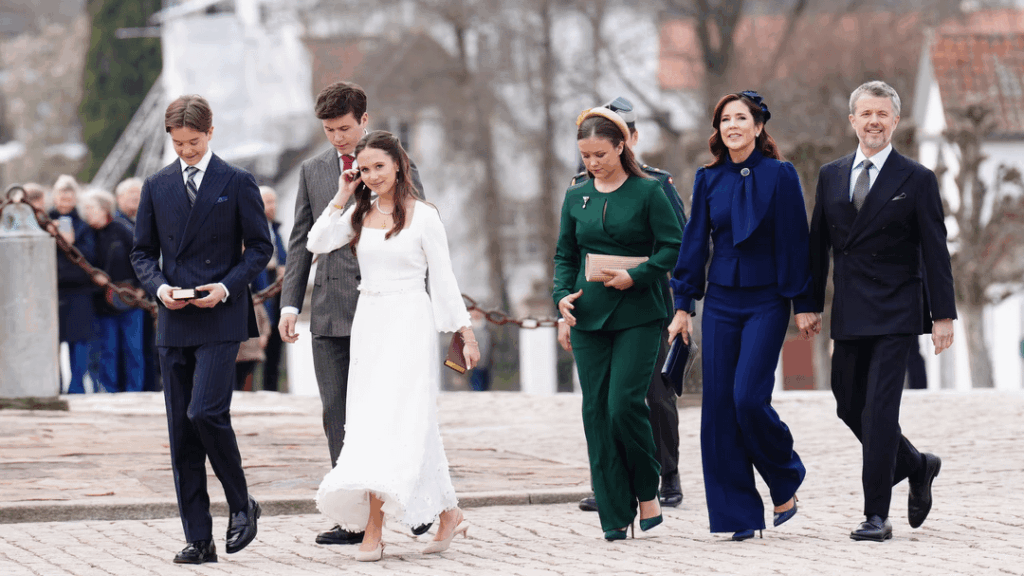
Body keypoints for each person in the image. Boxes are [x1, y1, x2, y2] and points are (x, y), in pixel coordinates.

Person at [307, 130, 478, 562]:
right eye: (363, 169)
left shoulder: (424, 217)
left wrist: (464, 331)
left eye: (378, 166)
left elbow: (443, 279)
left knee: (397, 420)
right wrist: (342, 196)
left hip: (409, 322)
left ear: (398, 165)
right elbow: (316, 241)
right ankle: (449, 513)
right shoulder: (358, 214)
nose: (371, 175)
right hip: (370, 320)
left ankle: (375, 530)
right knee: (377, 421)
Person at [278, 81, 427, 545]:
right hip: (330, 311)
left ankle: (413, 504)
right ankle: (354, 517)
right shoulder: (313, 170)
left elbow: (420, 231)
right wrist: (289, 302)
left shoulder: (393, 161)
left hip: (384, 309)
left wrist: (420, 306)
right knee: (336, 413)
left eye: (344, 128)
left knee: (392, 411)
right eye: (328, 130)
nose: (338, 139)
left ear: (364, 120)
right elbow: (303, 238)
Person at [808, 80, 955, 542]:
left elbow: (935, 251)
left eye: (883, 114)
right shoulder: (831, 175)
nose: (874, 121)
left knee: (880, 412)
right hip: (850, 311)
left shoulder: (917, 178)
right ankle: (916, 464)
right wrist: (808, 305)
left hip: (897, 311)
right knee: (848, 404)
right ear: (852, 120)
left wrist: (942, 315)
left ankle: (876, 514)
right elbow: (817, 248)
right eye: (865, 113)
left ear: (894, 121)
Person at [131, 94, 273, 564]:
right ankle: (198, 538)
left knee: (205, 413)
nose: (186, 151)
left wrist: (227, 286)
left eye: (193, 142)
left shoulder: (237, 181)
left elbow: (258, 248)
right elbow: (141, 253)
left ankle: (241, 503)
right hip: (174, 317)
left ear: (210, 133)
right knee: (181, 432)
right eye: (178, 144)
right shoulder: (156, 184)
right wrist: (159, 288)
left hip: (220, 314)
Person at [667, 91, 816, 541]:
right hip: (722, 302)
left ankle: (785, 475)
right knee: (717, 410)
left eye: (741, 118)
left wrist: (805, 303)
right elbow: (695, 243)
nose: (732, 125)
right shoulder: (708, 178)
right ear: (719, 130)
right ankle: (738, 516)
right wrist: (682, 307)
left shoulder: (781, 175)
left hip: (768, 300)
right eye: (725, 119)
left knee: (748, 398)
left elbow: (795, 240)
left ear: (757, 127)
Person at [553, 107, 681, 540]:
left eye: (600, 154)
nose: (592, 163)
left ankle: (648, 489)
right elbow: (565, 255)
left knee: (623, 405)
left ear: (621, 146)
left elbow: (672, 247)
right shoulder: (575, 195)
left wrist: (638, 275)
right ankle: (613, 512)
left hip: (639, 314)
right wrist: (560, 299)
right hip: (587, 315)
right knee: (595, 412)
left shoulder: (649, 192)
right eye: (585, 155)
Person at [81, 188, 144, 393]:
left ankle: (135, 391)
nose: (87, 213)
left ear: (104, 208)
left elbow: (143, 259)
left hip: (130, 298)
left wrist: (142, 288)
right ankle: (109, 390)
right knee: (107, 349)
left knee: (133, 349)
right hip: (102, 303)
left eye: (91, 209)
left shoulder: (122, 229)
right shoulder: (86, 234)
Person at [49, 175, 97, 394]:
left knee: (79, 343)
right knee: (51, 344)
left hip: (79, 292)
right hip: (51, 291)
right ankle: (53, 387)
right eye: (61, 196)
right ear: (55, 197)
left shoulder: (83, 226)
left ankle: (76, 388)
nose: (65, 201)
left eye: (69, 197)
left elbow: (91, 257)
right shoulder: (45, 222)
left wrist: (72, 242)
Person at [116, 176, 160, 392]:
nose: (135, 198)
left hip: (149, 292)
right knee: (125, 348)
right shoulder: (114, 225)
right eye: (130, 194)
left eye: (139, 194)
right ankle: (128, 389)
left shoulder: (150, 221)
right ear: (118, 198)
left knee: (146, 347)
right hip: (123, 293)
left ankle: (146, 388)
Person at [257, 186, 286, 391]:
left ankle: (271, 388)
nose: (272, 207)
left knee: (276, 338)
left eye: (273, 202)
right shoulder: (249, 230)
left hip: (277, 293)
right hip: (259, 293)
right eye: (267, 202)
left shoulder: (277, 231)